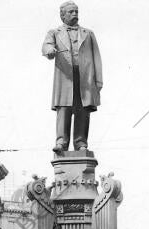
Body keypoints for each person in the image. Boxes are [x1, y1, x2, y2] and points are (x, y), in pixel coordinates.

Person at [42, 2, 103, 153]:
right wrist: (50, 50)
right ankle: (61, 142)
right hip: (65, 77)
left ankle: (81, 142)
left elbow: (97, 58)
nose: (75, 14)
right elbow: (46, 45)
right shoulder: (54, 32)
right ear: (62, 15)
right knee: (64, 109)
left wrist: (98, 81)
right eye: (71, 12)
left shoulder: (88, 33)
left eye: (76, 11)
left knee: (83, 110)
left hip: (86, 77)